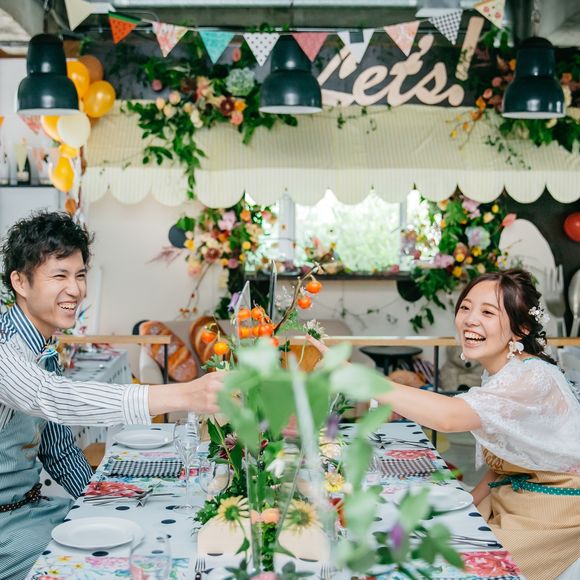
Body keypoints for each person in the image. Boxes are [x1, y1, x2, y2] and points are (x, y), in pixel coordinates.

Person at [310, 269, 580, 580]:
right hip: (513, 497)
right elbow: (509, 456)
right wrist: (470, 502)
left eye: (488, 312)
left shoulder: (530, 377)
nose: (470, 320)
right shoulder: (504, 372)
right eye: (465, 307)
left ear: (520, 329)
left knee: (436, 566)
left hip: (553, 514)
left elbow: (449, 417)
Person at [0, 212, 222, 578]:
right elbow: (55, 397)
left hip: (34, 511)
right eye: (60, 276)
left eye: (80, 275)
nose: (76, 290)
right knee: (125, 563)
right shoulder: (5, 348)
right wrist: (185, 394)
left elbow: (60, 451)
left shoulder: (44, 351)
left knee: (147, 532)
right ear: (20, 282)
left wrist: (99, 503)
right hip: (8, 532)